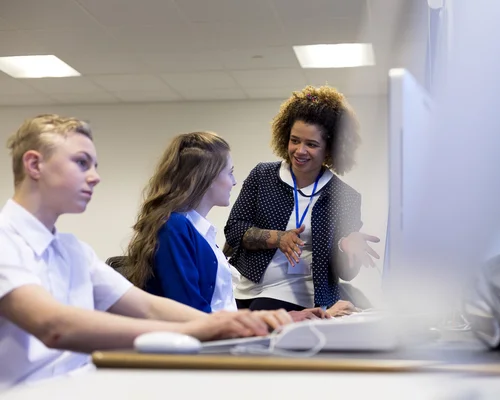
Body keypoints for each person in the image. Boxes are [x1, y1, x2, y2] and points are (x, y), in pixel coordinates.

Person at [0, 115, 292, 390]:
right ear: (34, 165)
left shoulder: (73, 250)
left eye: (94, 166)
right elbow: (55, 326)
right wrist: (194, 330)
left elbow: (147, 307)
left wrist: (227, 323)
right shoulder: (5, 242)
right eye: (81, 163)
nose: (95, 177)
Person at [126, 131, 326, 321]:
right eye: (230, 173)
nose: (234, 182)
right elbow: (191, 314)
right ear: (206, 177)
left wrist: (283, 317)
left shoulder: (198, 232)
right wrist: (265, 322)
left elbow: (217, 310)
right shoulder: (175, 228)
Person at [225, 85, 380, 315]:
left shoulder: (345, 197)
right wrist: (278, 238)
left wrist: (346, 249)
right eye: (295, 140)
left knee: (264, 314)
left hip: (303, 296)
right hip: (245, 289)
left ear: (330, 149)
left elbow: (346, 274)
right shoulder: (262, 176)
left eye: (312, 144)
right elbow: (234, 230)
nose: (300, 150)